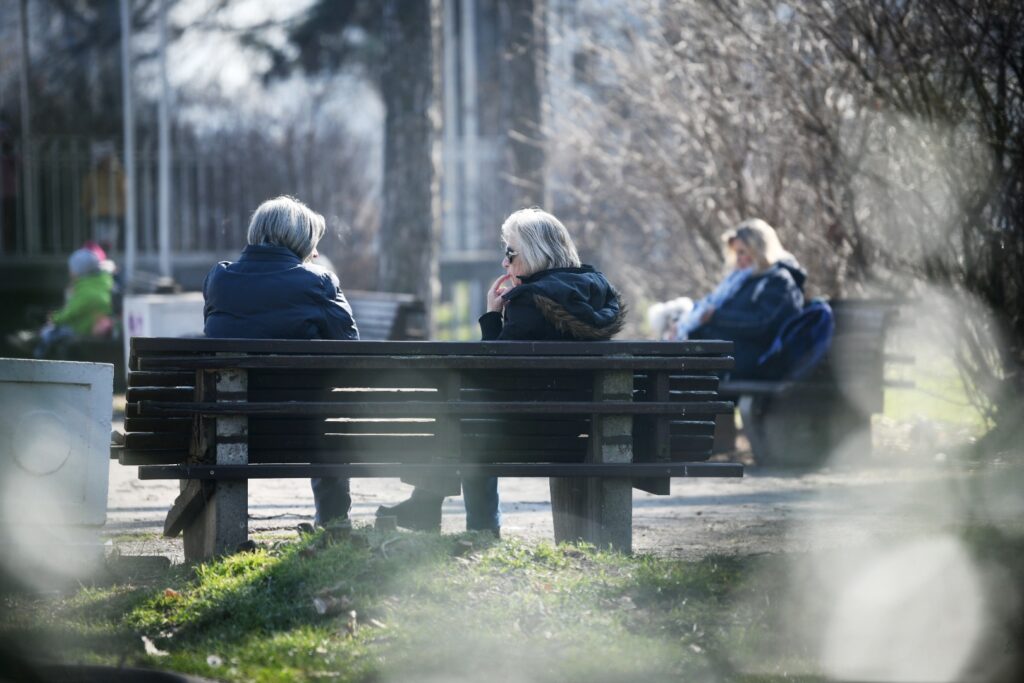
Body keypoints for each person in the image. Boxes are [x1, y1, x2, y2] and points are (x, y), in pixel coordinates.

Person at [376, 207, 626, 535]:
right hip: (579, 429)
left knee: (464, 414)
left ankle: (474, 524)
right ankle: (430, 507)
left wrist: (493, 316)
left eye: (510, 252)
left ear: (537, 252)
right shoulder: (595, 293)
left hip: (529, 432)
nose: (504, 262)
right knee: (466, 414)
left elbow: (495, 376)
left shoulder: (530, 301)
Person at [203, 195, 359, 527]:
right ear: (302, 242)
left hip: (228, 427)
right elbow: (349, 348)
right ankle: (333, 523)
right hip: (302, 429)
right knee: (326, 413)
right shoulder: (318, 282)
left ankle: (221, 528)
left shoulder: (219, 279)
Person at [689, 218, 805, 379]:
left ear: (759, 249)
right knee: (682, 349)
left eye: (742, 252)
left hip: (756, 359)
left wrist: (715, 317)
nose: (738, 259)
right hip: (733, 353)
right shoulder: (745, 279)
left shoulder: (779, 280)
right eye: (736, 253)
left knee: (686, 359)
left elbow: (761, 324)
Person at [25, 246, 115, 358]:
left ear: (79, 271)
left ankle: (38, 359)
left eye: (71, 269)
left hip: (84, 329)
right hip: (92, 325)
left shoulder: (85, 290)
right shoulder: (102, 282)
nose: (70, 272)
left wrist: (53, 318)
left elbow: (70, 313)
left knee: (50, 334)